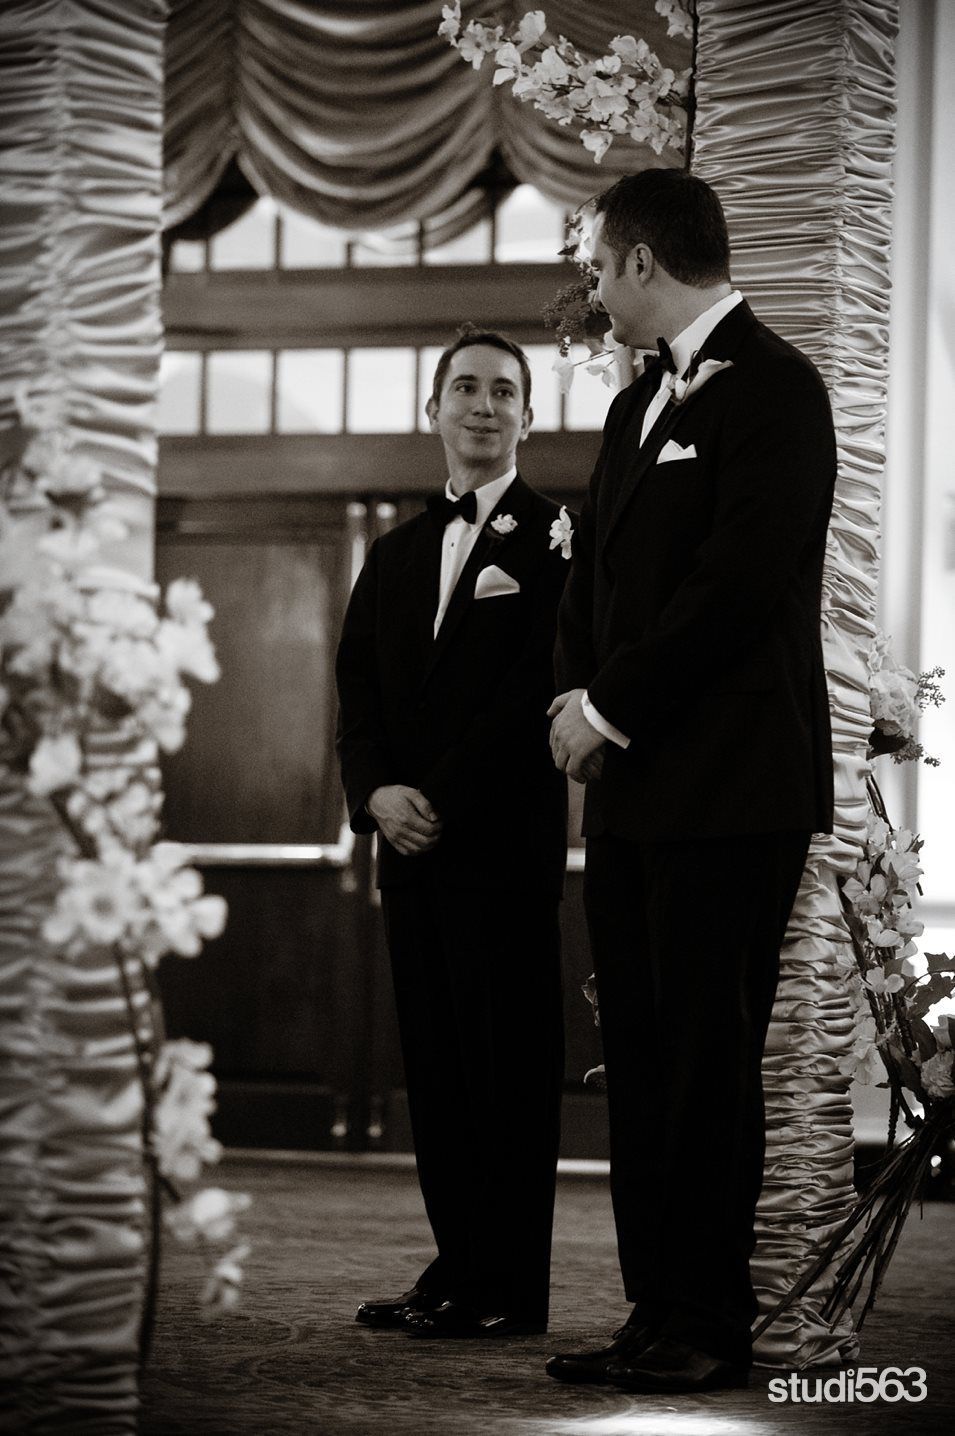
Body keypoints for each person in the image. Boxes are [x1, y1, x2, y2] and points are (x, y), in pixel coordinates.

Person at [546, 170, 836, 1394]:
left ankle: (710, 1320)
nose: (592, 288)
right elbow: (594, 583)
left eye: (596, 266)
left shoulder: (778, 390)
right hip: (633, 788)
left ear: (642, 261)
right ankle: (652, 1306)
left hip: (732, 788)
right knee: (643, 1056)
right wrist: (571, 695)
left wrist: (609, 708)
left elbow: (739, 587)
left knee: (707, 1061)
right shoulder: (632, 408)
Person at [335, 329, 570, 1338]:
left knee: (505, 1070)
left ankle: (507, 1287)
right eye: (465, 387)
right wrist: (377, 794)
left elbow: (535, 686)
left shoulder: (557, 539)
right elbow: (356, 693)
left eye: (503, 391)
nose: (483, 404)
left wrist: (436, 796)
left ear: (528, 417)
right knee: (434, 1069)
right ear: (432, 408)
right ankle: (458, 1262)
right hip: (408, 851)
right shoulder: (392, 552)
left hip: (500, 846)